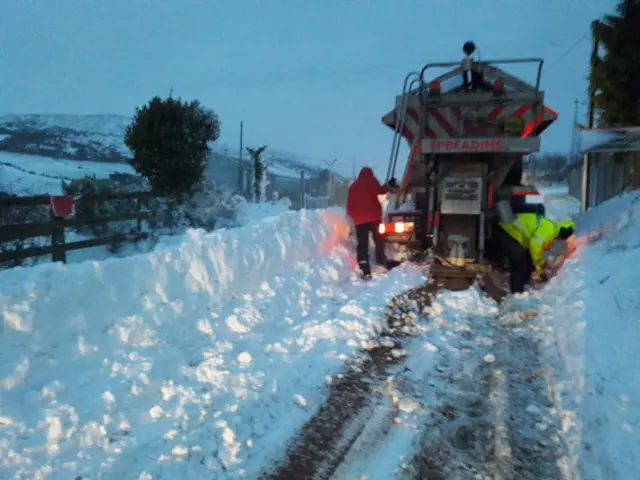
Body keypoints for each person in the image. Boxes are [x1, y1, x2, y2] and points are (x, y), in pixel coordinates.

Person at [496, 212, 575, 293]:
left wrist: (538, 267)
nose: (558, 240)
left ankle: (524, 284)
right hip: (511, 232)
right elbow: (535, 244)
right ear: (561, 235)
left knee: (526, 261)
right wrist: (538, 263)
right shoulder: (550, 229)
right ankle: (516, 294)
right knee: (519, 266)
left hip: (513, 233)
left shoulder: (552, 227)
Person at [346, 167, 397, 278]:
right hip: (374, 219)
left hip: (360, 221)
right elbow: (381, 190)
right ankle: (382, 261)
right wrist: (389, 185)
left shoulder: (353, 187)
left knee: (362, 244)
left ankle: (365, 269)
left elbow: (349, 207)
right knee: (379, 240)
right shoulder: (372, 182)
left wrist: (355, 218)